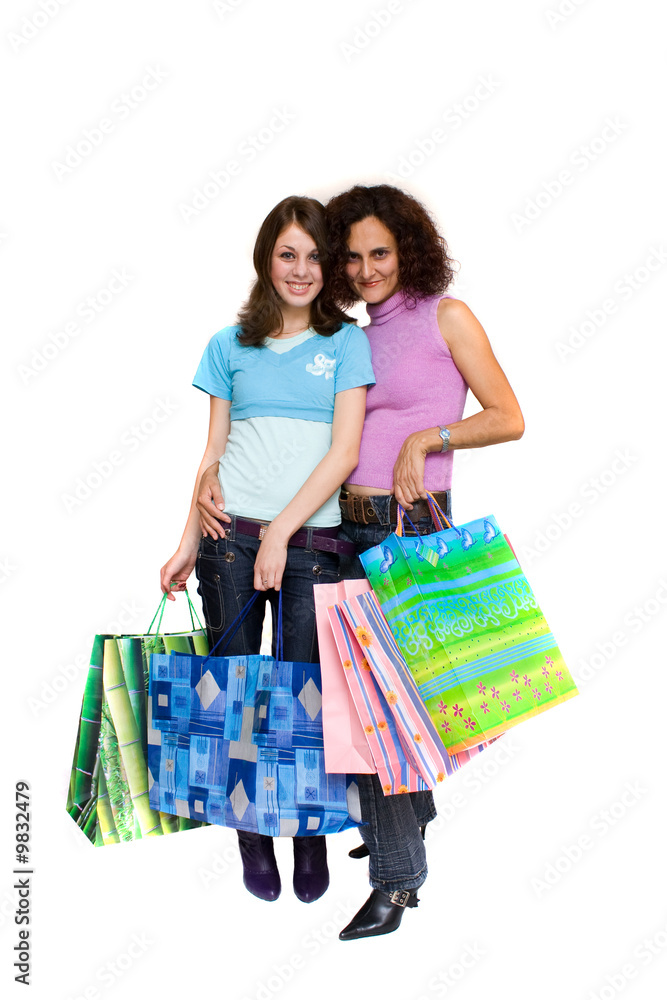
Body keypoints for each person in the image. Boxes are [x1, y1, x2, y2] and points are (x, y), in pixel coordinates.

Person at [323, 184, 525, 940]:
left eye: (380, 252)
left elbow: (508, 416)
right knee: (356, 705)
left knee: (378, 713)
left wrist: (429, 439)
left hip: (408, 531)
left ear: (406, 247)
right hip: (341, 529)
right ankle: (409, 813)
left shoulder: (447, 316)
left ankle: (398, 882)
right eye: (353, 257)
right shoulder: (347, 337)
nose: (368, 269)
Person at [160, 195, 374, 905]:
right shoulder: (228, 345)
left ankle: (306, 830)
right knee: (234, 694)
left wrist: (282, 531)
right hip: (229, 541)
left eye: (315, 256)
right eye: (288, 254)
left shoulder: (345, 342)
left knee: (305, 695)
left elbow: (344, 451)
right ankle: (251, 831)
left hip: (309, 543)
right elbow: (212, 453)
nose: (301, 269)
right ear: (265, 259)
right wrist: (187, 539)